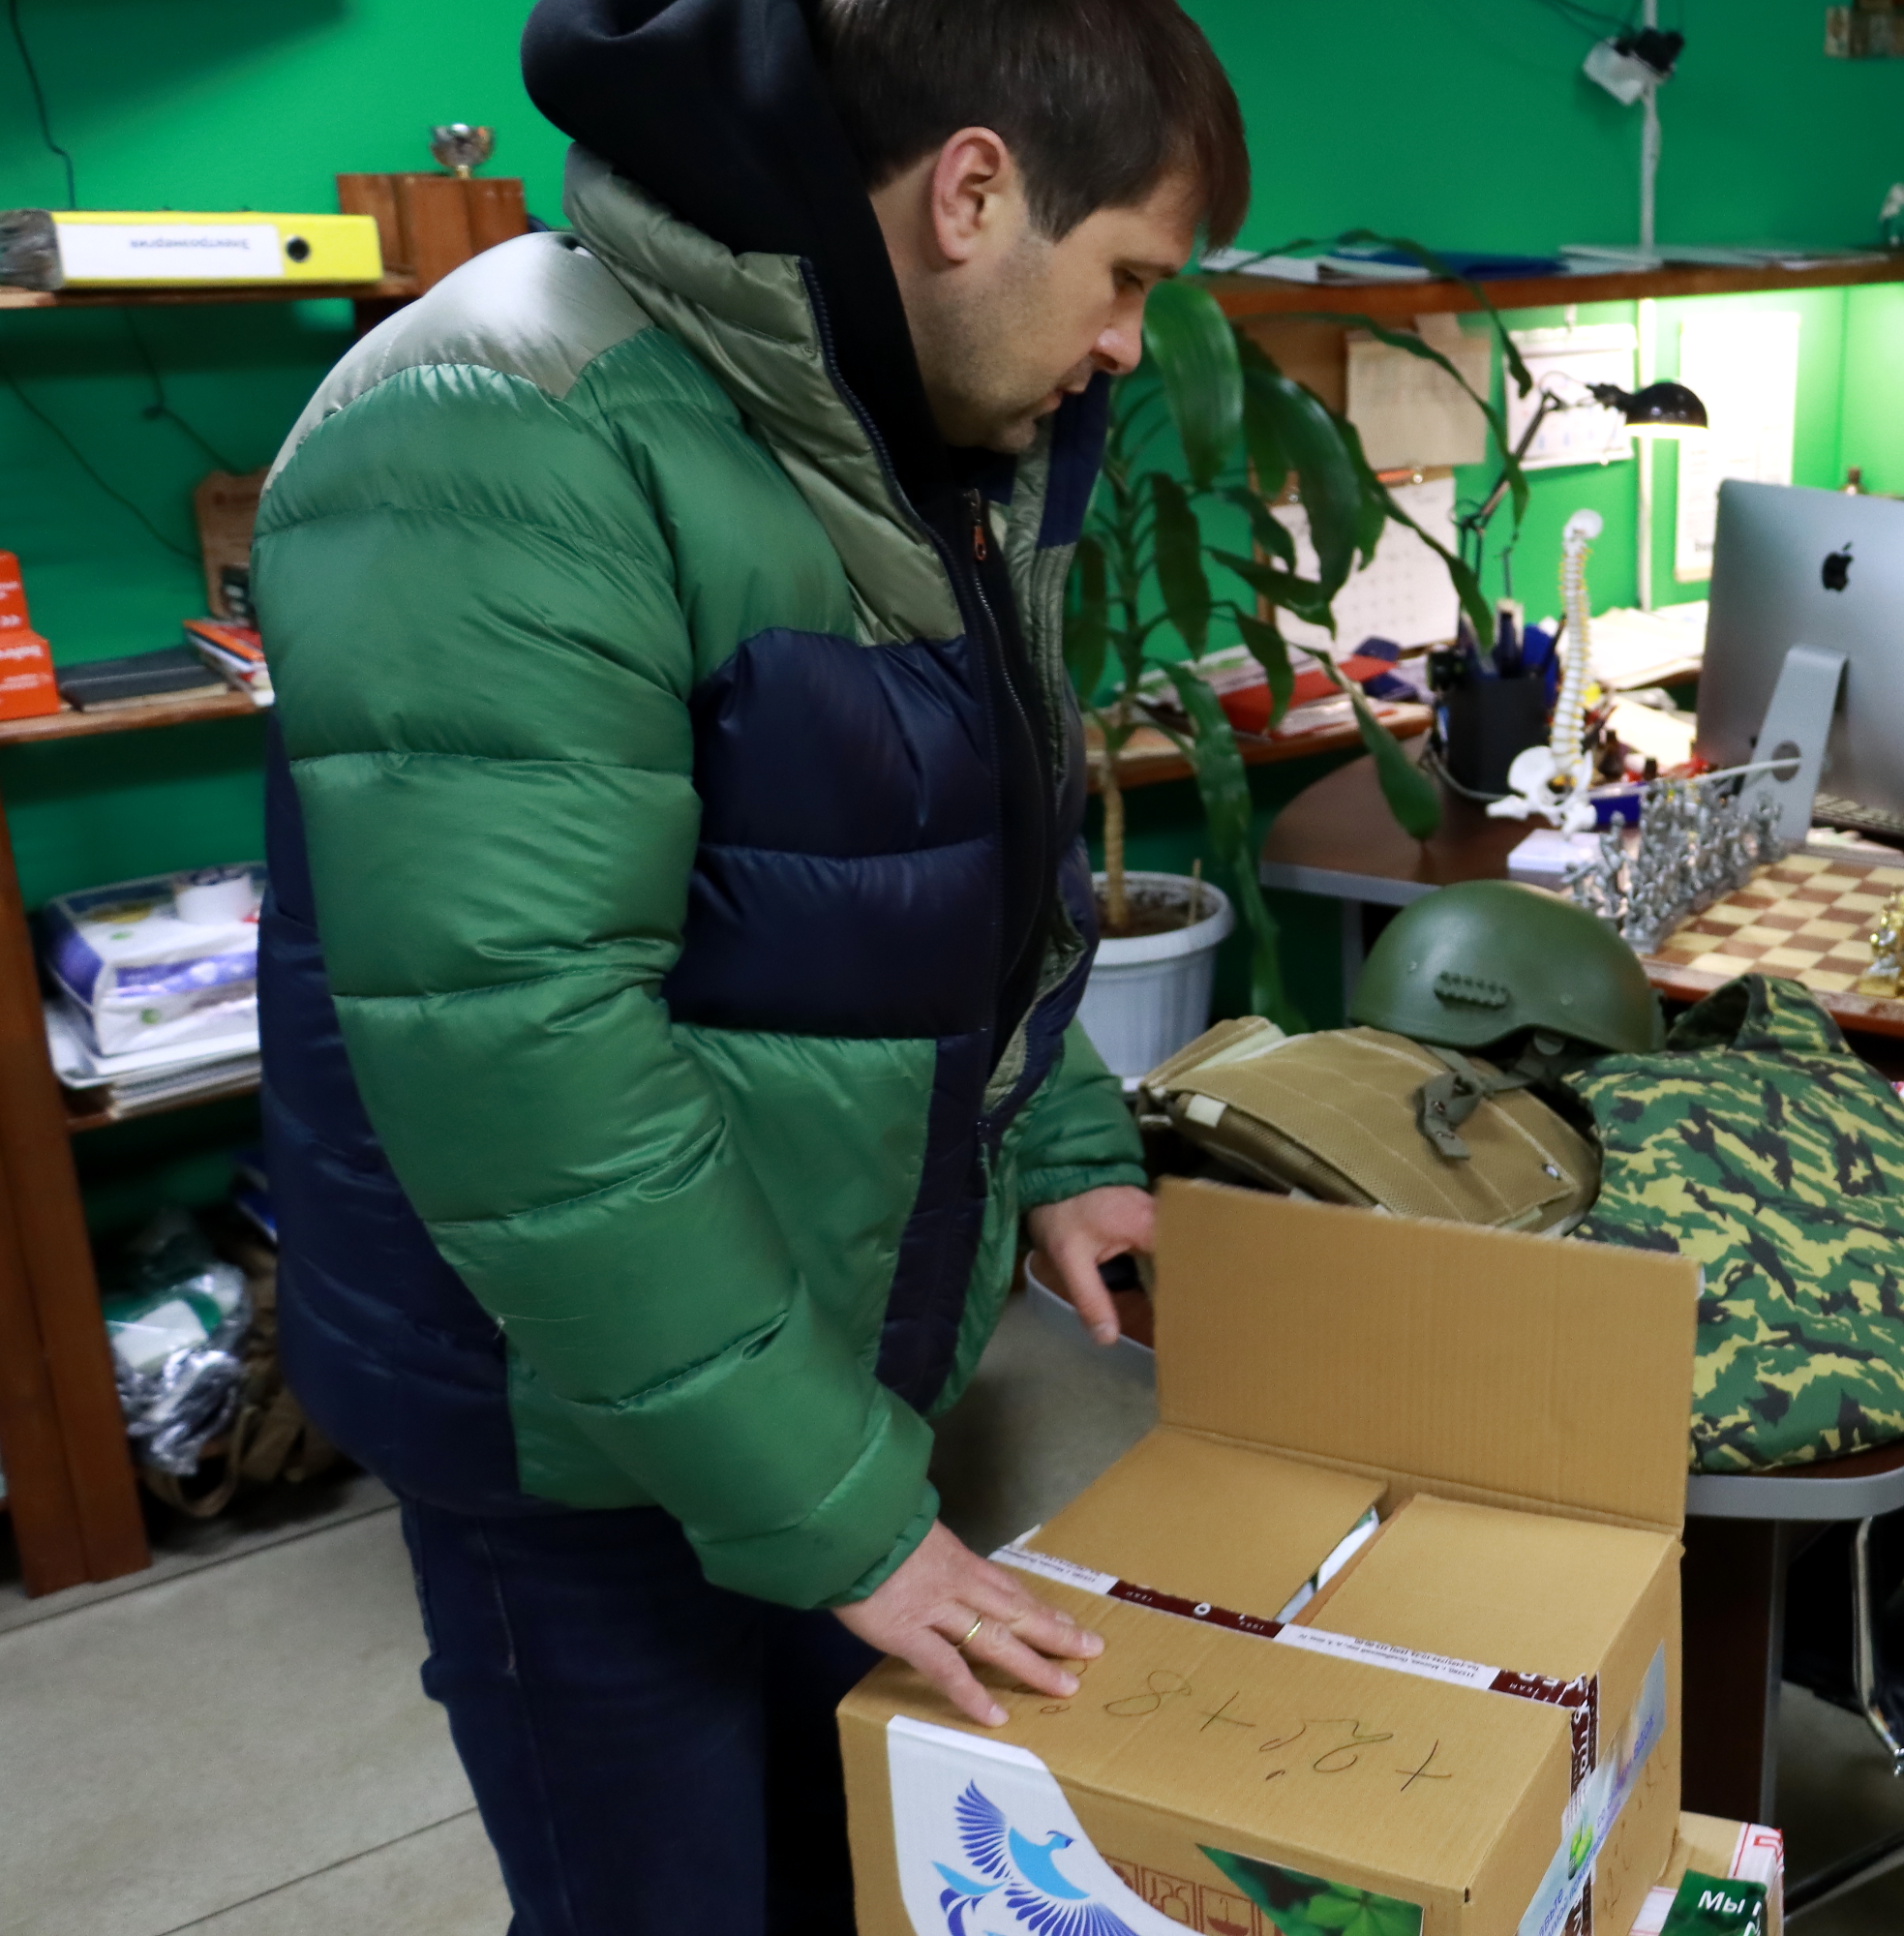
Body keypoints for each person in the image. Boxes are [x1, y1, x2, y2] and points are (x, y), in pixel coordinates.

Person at [249, 0, 1250, 1926]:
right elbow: (529, 1062)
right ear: (973, 194)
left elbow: (955, 859)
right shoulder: (500, 429)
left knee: (838, 1862)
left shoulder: (891, 416)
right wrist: (841, 1508)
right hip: (574, 1427)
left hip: (809, 1368)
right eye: (1127, 274)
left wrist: (1057, 1148)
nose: (1130, 341)